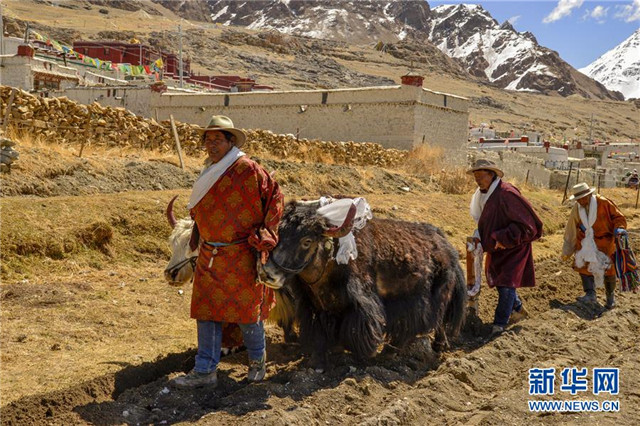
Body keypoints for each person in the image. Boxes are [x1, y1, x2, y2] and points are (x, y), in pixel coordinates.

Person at [171, 115, 284, 388]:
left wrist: (266, 236)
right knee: (206, 313)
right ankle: (204, 371)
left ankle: (257, 365)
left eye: (217, 140)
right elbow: (200, 211)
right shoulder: (208, 171)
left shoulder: (249, 169)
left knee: (247, 313)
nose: (211, 145)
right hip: (210, 256)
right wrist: (197, 237)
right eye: (207, 140)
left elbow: (275, 199)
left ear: (230, 141)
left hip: (242, 256)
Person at [467, 159, 543, 335]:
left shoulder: (507, 193)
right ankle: (518, 310)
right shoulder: (482, 194)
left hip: (514, 247)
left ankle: (499, 325)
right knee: (502, 284)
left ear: (491, 175)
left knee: (507, 284)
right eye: (475, 177)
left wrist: (502, 237)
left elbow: (528, 225)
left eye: (481, 176)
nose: (477, 180)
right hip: (497, 247)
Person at [561, 182, 626, 309]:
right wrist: (568, 248)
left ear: (588, 195)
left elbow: (619, 218)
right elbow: (571, 227)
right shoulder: (577, 208)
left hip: (605, 242)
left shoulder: (604, 203)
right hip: (585, 241)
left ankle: (610, 297)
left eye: (581, 199)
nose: (579, 202)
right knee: (583, 265)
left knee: (608, 269)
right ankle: (590, 293)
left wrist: (619, 228)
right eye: (577, 200)